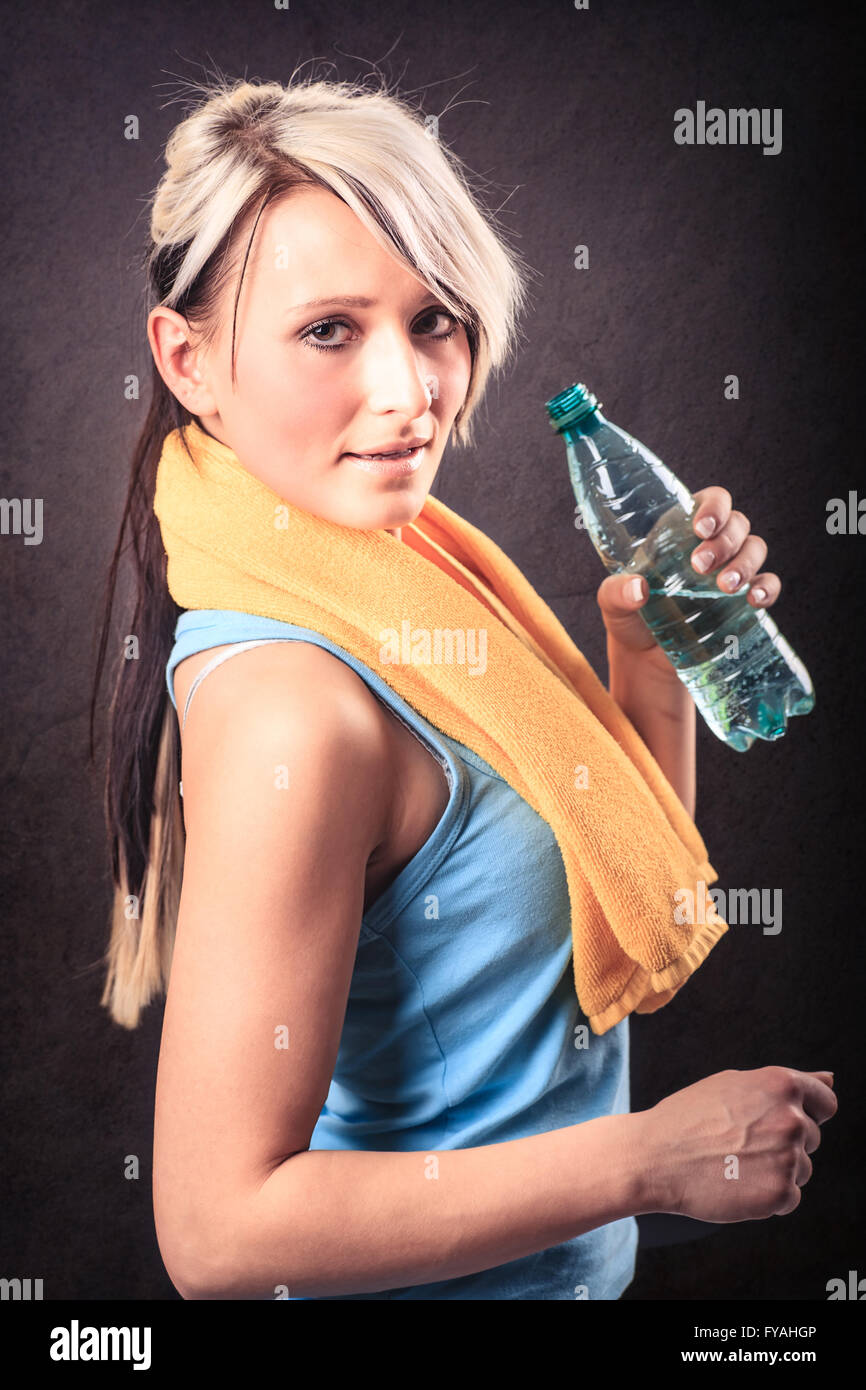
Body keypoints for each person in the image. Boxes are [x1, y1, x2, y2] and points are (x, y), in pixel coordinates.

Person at [90, 73, 838, 1301]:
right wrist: (645, 1161)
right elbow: (218, 1234)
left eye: (432, 317)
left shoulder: (400, 580)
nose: (409, 391)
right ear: (189, 361)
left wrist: (641, 651)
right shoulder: (296, 704)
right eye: (327, 329)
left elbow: (558, 892)